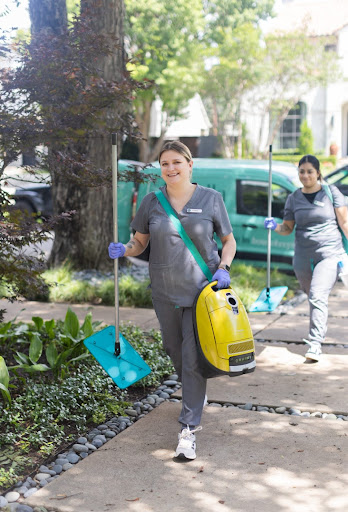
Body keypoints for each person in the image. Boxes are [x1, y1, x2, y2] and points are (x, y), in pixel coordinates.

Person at [108, 140, 236, 460]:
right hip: (164, 293)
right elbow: (139, 243)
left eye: (177, 162)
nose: (171, 168)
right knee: (174, 350)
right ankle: (195, 390)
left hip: (201, 294)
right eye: (164, 163)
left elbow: (228, 240)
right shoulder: (152, 202)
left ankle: (188, 429)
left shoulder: (211, 199)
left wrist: (224, 267)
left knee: (193, 359)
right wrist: (124, 250)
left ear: (190, 164)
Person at [264, 154, 348, 362]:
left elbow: (344, 222)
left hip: (330, 252)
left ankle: (315, 343)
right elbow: (287, 228)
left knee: (318, 295)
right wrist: (274, 226)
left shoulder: (330, 192)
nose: (306, 175)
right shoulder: (293, 198)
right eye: (302, 171)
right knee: (313, 296)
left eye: (310, 171)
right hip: (302, 255)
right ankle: (317, 332)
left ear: (318, 173)